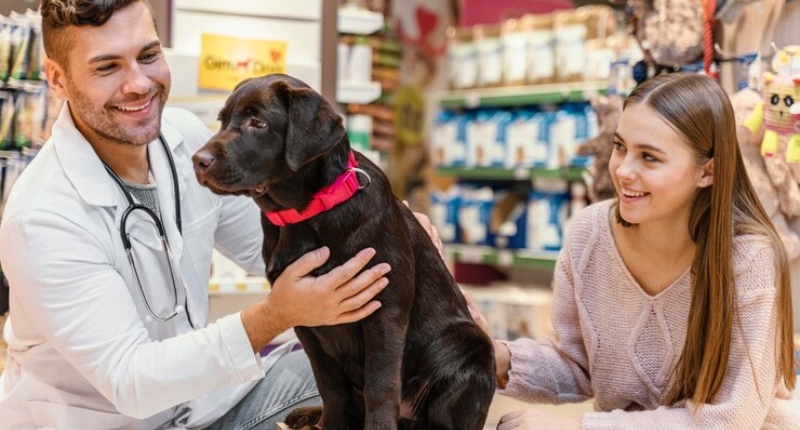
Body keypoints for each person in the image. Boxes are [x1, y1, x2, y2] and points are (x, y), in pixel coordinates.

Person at [0, 1, 441, 428]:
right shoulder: (41, 216)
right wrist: (273, 316)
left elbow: (276, 249)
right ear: (56, 79)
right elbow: (130, 381)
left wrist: (397, 236)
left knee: (396, 383)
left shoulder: (183, 137)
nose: (138, 83)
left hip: (203, 406)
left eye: (149, 55)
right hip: (107, 422)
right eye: (107, 66)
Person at [466, 73, 798, 429]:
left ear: (708, 171)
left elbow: (731, 419)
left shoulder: (749, 260)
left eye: (649, 157)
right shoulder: (589, 234)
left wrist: (578, 427)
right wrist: (497, 358)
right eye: (620, 146)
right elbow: (577, 367)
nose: (623, 170)